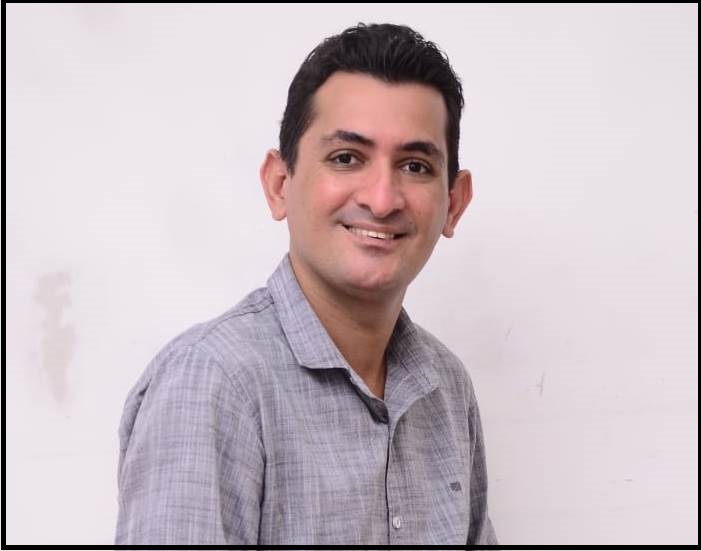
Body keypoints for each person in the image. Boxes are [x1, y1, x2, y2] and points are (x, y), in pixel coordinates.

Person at [116, 22, 498, 546]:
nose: (382, 199)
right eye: (347, 158)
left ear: (453, 203)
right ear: (279, 184)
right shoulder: (213, 383)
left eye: (415, 165)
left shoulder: (446, 387)